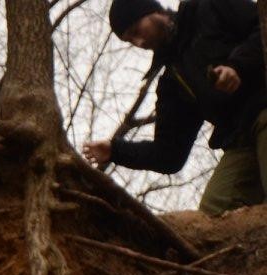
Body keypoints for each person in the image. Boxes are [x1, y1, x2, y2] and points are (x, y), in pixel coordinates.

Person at [82, 0, 267, 215]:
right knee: (211, 217)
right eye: (130, 41)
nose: (139, 42)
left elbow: (262, 27)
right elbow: (169, 154)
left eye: (136, 31)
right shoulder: (172, 81)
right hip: (240, 141)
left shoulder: (211, 7)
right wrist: (115, 150)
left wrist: (238, 66)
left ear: (152, 11)